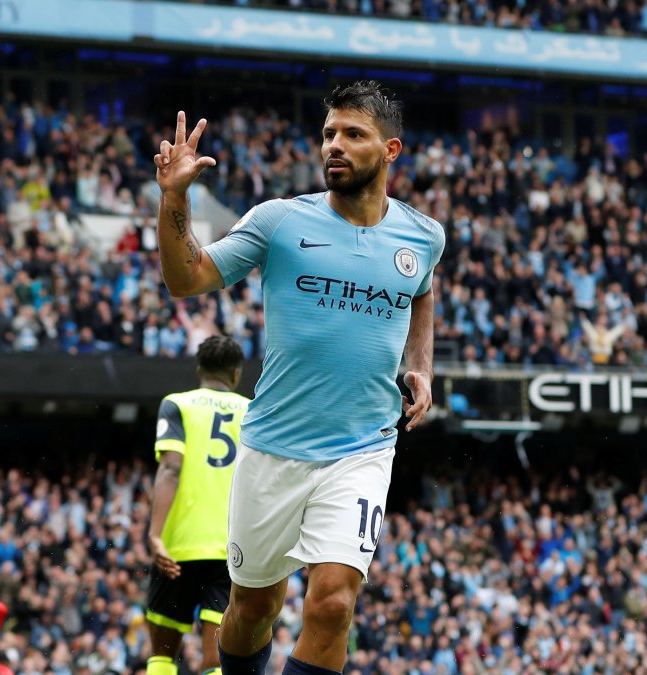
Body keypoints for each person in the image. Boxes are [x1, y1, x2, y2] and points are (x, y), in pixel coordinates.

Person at [153, 80, 444, 675]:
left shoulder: (423, 235)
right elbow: (188, 279)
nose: (334, 145)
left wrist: (420, 365)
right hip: (272, 450)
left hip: (362, 449)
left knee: (334, 603)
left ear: (390, 151)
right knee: (254, 607)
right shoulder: (280, 222)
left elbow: (423, 292)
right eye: (328, 134)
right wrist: (174, 200)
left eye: (352, 135)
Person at [146, 334, 250, 675]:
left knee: (162, 654)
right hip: (230, 549)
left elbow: (171, 467)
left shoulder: (177, 404)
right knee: (215, 659)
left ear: (199, 370)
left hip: (178, 546)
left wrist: (155, 534)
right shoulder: (252, 411)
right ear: (236, 374)